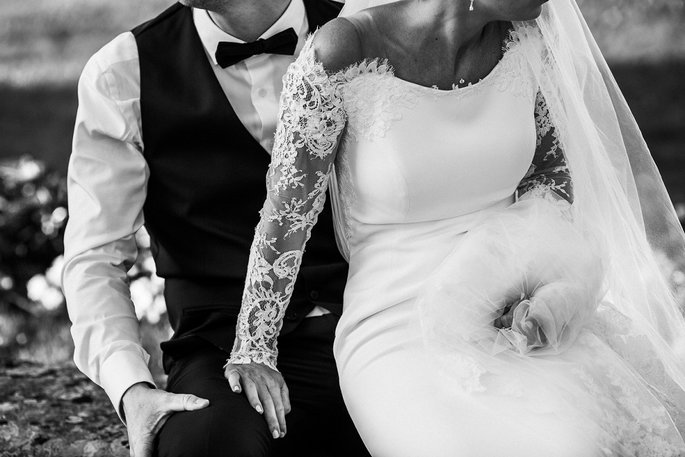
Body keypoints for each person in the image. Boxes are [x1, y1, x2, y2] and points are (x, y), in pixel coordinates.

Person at [222, 0, 685, 455]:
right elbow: (287, 216)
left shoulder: (529, 36)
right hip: (397, 324)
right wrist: (254, 349)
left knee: (577, 441)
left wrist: (541, 279)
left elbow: (549, 176)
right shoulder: (344, 50)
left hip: (513, 308)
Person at [61, 1, 371, 456]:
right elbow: (95, 254)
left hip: (373, 323)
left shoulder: (369, 32)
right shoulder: (124, 72)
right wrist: (131, 388)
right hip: (220, 351)